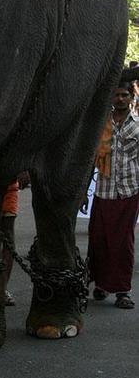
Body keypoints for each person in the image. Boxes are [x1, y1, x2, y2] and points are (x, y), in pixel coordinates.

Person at [88, 80, 139, 309]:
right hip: (103, 191)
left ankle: (122, 291)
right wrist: (82, 192)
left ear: (131, 98)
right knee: (99, 241)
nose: (120, 99)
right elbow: (90, 160)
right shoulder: (100, 124)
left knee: (123, 242)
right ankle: (100, 285)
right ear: (111, 98)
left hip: (128, 192)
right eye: (116, 95)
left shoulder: (137, 126)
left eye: (124, 95)